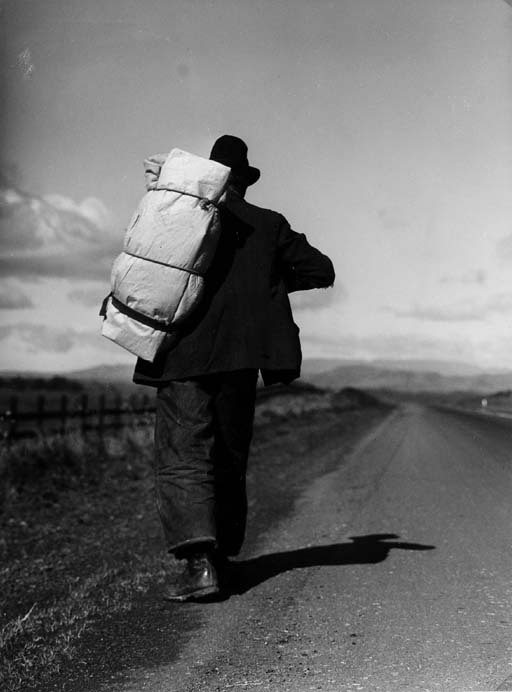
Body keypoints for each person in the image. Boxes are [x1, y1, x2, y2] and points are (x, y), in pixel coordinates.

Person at [133, 135, 335, 601]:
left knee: (184, 454)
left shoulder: (176, 215)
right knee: (228, 455)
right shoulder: (268, 225)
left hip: (179, 354)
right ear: (242, 180)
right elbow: (321, 270)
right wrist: (266, 285)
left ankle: (200, 567)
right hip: (241, 361)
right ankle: (220, 559)